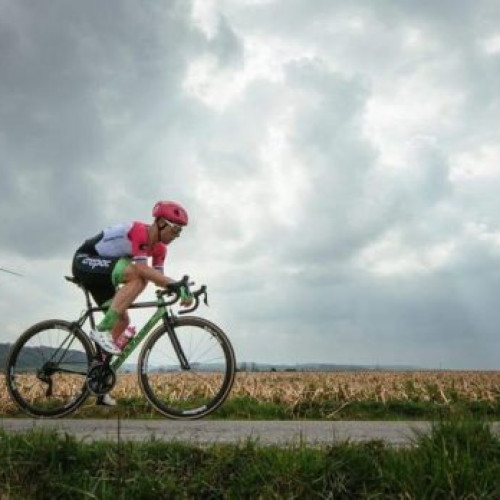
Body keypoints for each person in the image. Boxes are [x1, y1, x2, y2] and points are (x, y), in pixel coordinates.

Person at [72, 200, 193, 405]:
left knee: (122, 322)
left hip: (105, 274)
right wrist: (173, 283)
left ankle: (98, 383)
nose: (176, 235)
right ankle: (101, 330)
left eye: (180, 231)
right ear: (161, 223)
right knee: (138, 275)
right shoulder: (139, 231)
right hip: (85, 261)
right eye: (175, 229)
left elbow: (157, 278)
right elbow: (144, 271)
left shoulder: (160, 250)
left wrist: (182, 289)